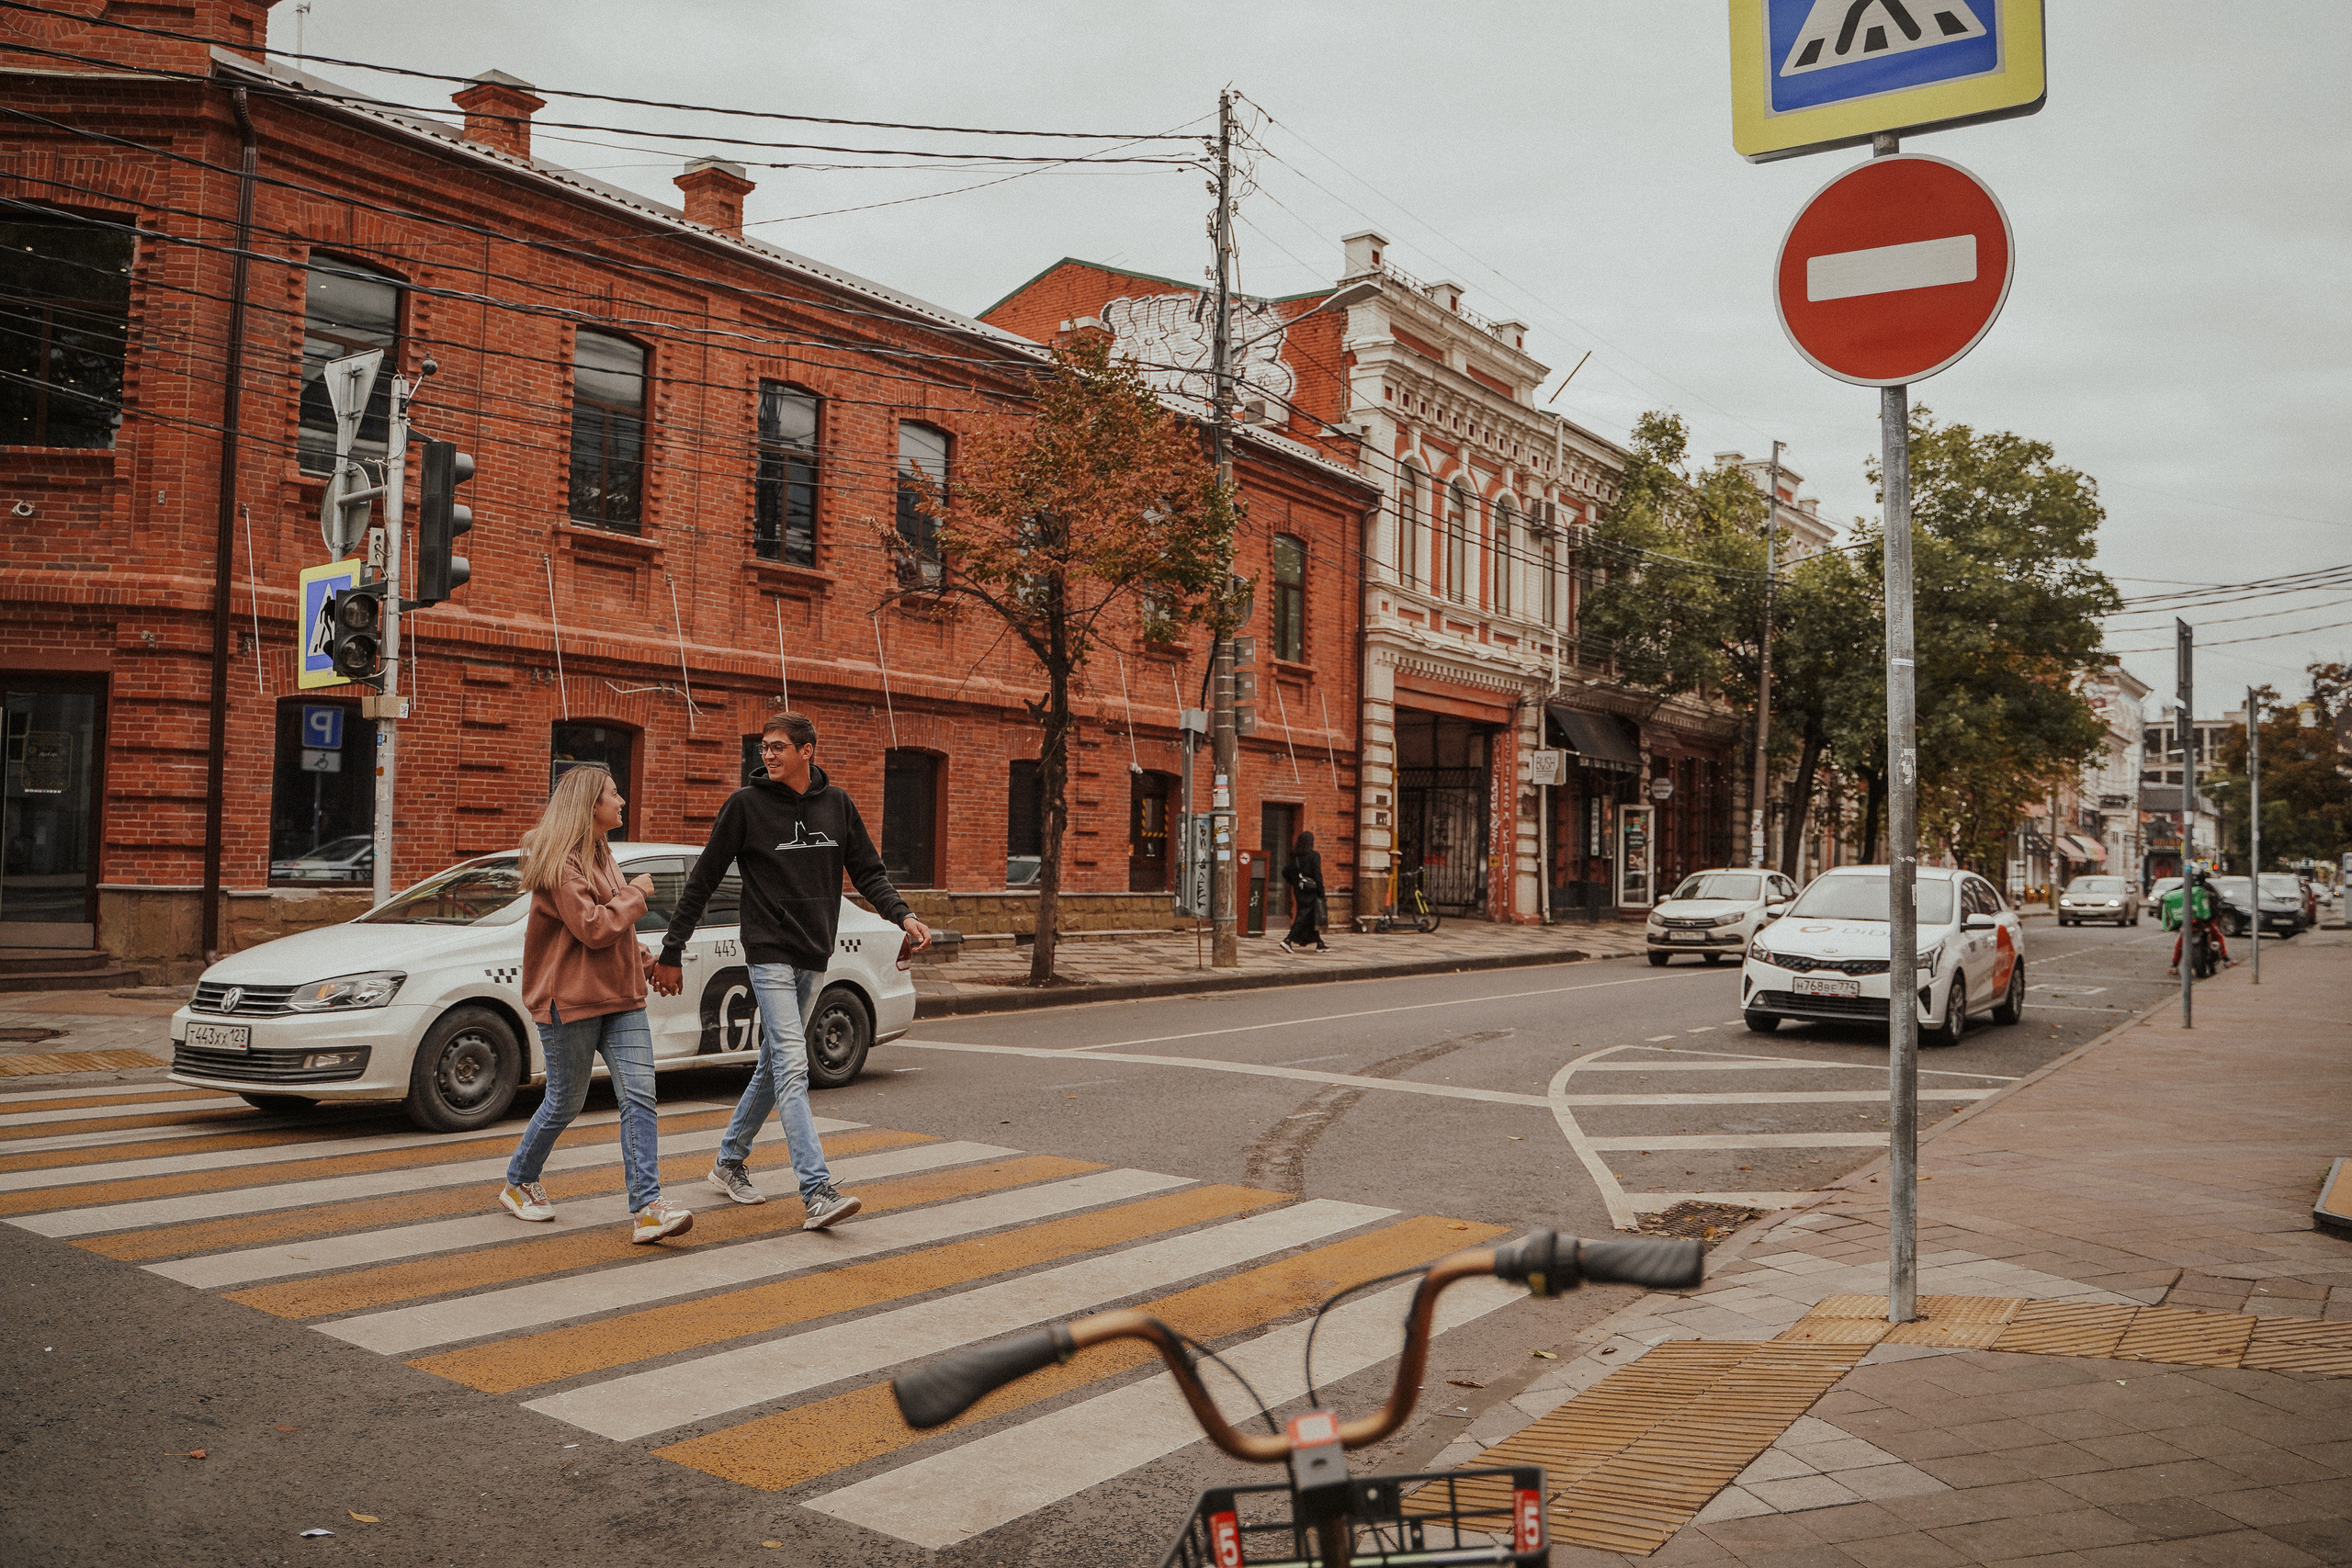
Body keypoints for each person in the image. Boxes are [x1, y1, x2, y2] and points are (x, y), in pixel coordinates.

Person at [653, 711, 932, 1230]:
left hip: (814, 952)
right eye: (763, 747)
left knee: (774, 1063)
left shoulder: (838, 804)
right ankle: (816, 1189)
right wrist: (673, 948)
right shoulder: (745, 806)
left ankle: (729, 1162)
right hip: (767, 949)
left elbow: (868, 870)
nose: (768, 754)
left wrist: (902, 914)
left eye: (778, 746)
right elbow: (704, 880)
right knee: (792, 1061)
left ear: (808, 750)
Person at [499, 765, 693, 1244]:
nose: (622, 800)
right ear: (590, 805)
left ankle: (648, 1208)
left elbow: (615, 929)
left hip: (622, 997)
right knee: (566, 1100)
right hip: (571, 999)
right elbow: (592, 926)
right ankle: (520, 1180)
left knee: (640, 1096)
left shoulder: (602, 852)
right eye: (613, 794)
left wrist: (645, 961)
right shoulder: (561, 864)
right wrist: (637, 894)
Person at [2165, 868, 2231, 975]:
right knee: (2218, 936)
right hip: (2203, 921)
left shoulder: (2184, 888)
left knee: (2181, 941)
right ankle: (2226, 959)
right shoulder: (2206, 888)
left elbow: (2169, 896)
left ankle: (2174, 965)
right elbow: (2217, 903)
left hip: (2192, 922)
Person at [1278, 829, 1329, 953]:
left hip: (1299, 891)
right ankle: (1288, 940)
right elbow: (1318, 875)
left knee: (1310, 916)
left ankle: (1319, 943)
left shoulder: (1295, 856)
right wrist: (1321, 891)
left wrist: (1295, 883)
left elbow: (1285, 872)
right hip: (1312, 891)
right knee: (1304, 916)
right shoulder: (1314, 856)